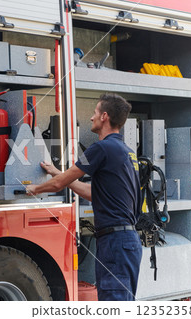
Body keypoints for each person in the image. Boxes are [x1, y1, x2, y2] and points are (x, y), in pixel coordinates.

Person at [26, 93, 142, 301]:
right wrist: (55, 172)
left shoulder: (101, 148)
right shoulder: (125, 151)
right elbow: (92, 193)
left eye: (95, 112)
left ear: (104, 116)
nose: (91, 117)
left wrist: (34, 188)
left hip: (115, 243)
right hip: (126, 242)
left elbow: (60, 184)